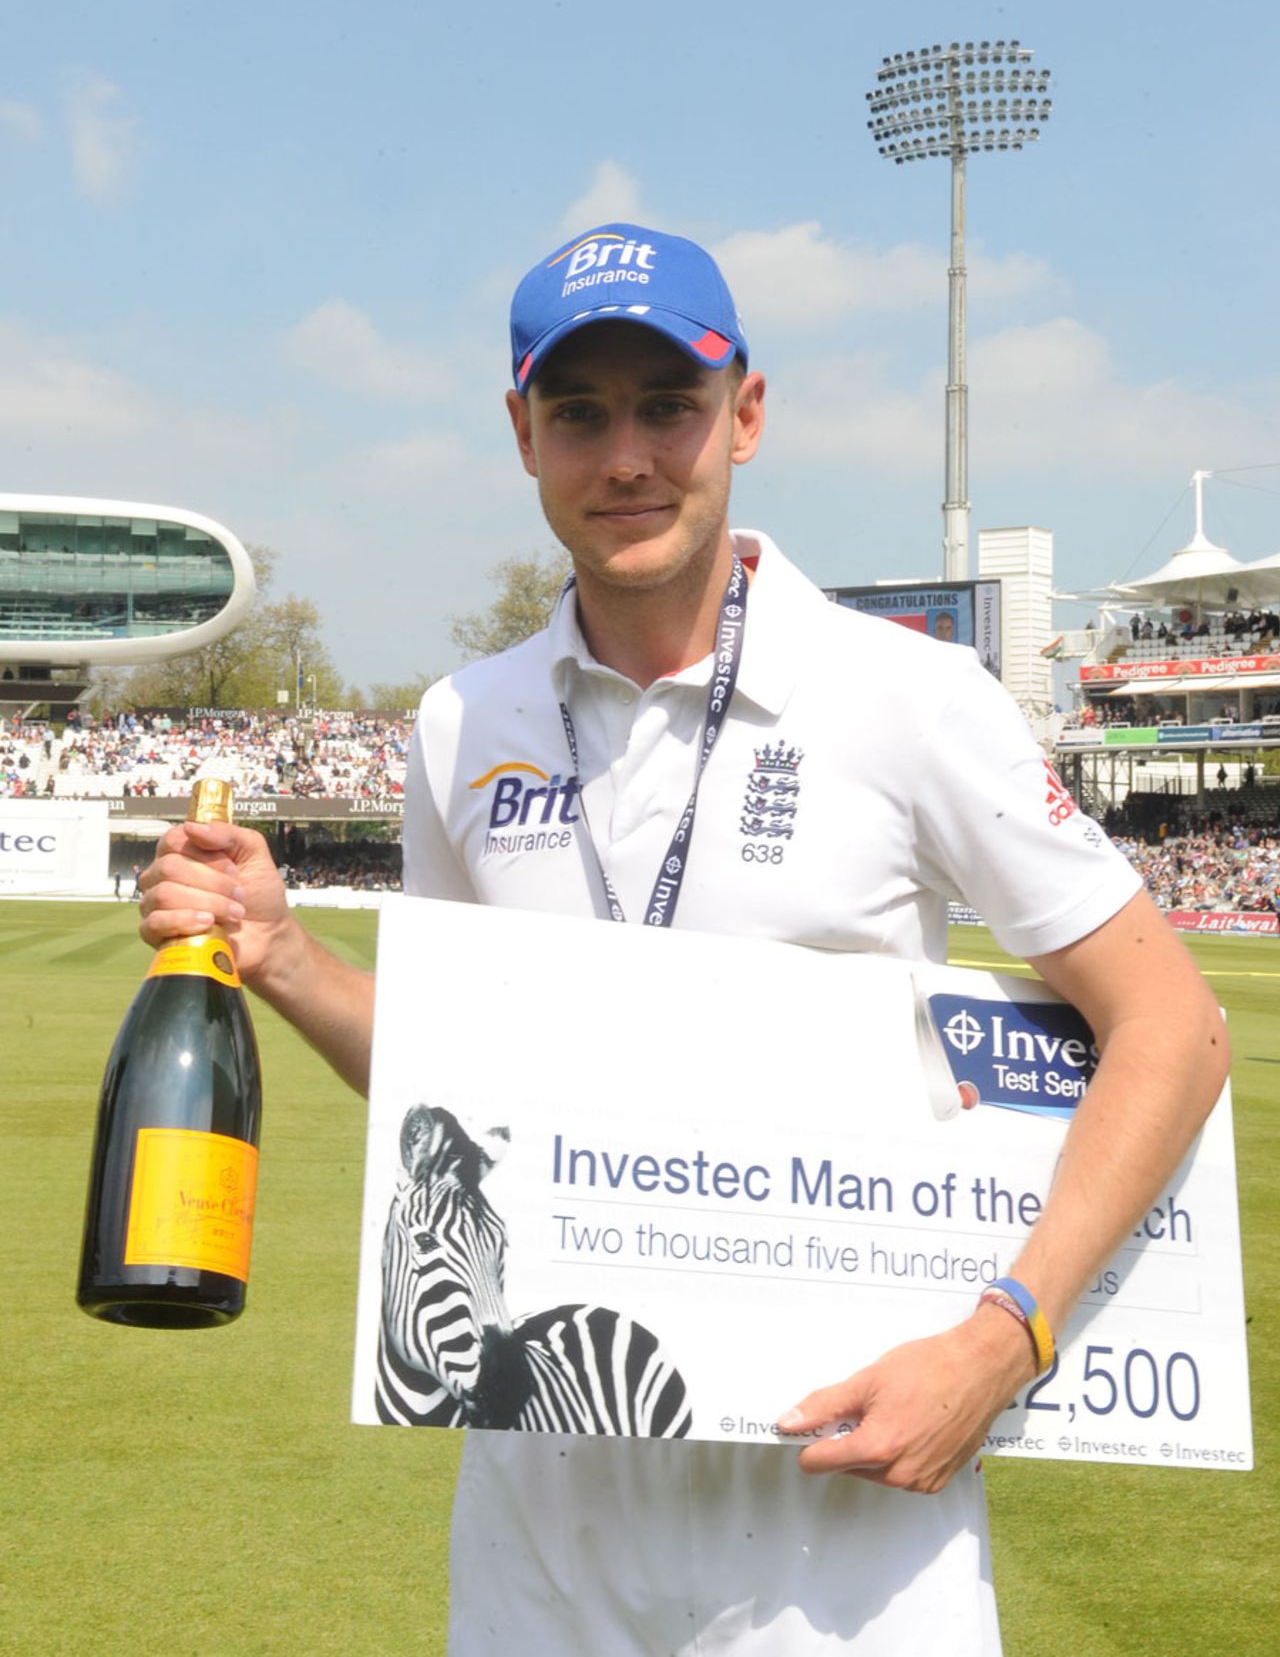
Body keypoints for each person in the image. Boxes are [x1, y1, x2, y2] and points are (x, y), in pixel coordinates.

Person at [139, 223, 1229, 1656]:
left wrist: (998, 1340)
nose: (629, 457)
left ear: (748, 415)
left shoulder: (909, 695)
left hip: (845, 1549)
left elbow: (1177, 1028)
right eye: (580, 414)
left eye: (671, 405)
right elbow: (461, 1089)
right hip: (543, 1534)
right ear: (522, 432)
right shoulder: (464, 721)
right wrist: (282, 958)